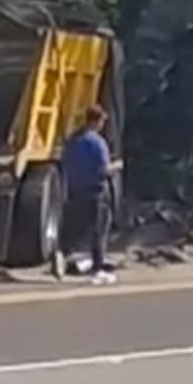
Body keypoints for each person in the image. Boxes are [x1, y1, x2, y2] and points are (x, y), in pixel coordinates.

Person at [56, 105, 117, 285]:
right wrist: (117, 167)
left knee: (72, 229)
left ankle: (61, 258)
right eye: (102, 121)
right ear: (96, 121)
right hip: (96, 192)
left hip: (75, 191)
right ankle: (97, 270)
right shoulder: (98, 143)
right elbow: (104, 169)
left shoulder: (72, 141)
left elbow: (65, 163)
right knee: (99, 231)